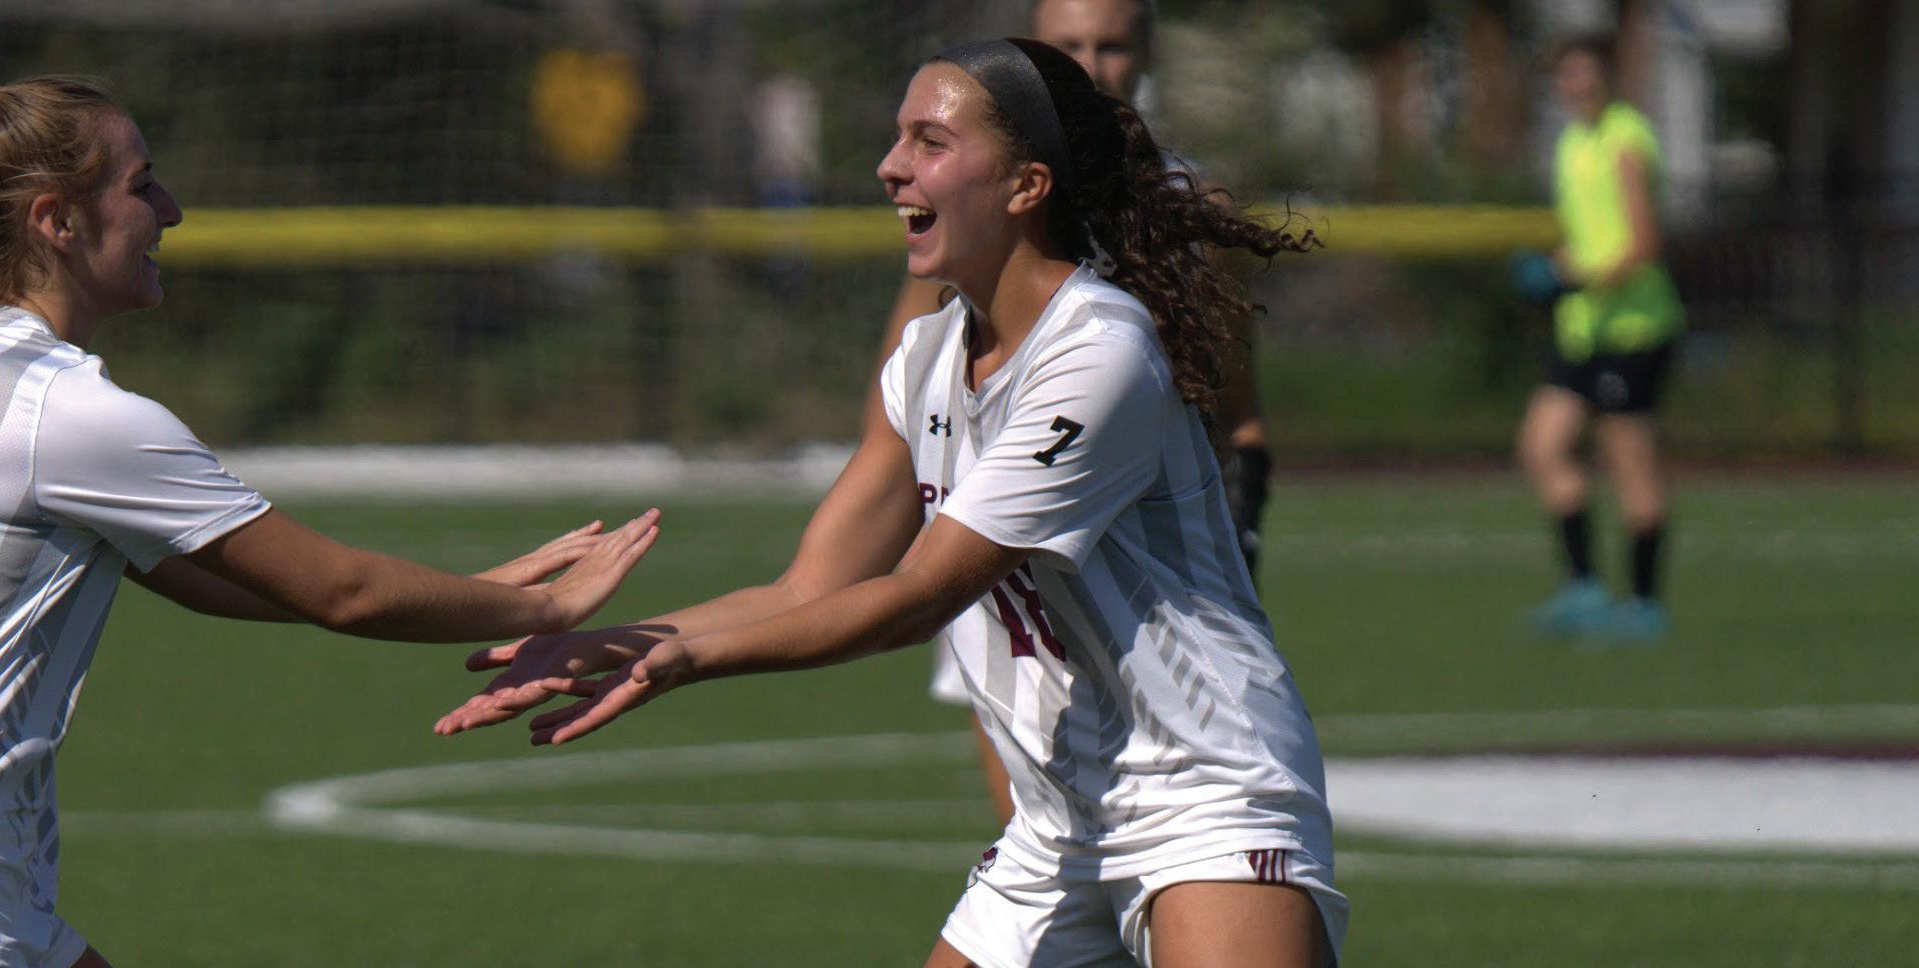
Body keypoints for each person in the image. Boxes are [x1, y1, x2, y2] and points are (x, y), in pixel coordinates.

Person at [441, 39, 1339, 968]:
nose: (890, 166)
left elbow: (915, 599)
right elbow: (807, 590)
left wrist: (690, 661)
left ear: (1027, 186)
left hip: (1204, 790)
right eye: (897, 137)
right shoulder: (924, 362)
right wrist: (613, 643)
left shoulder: (1099, 353)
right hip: (1061, 820)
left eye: (929, 141)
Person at [0, 73, 662, 968]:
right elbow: (341, 589)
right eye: (141, 185)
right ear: (56, 220)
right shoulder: (65, 411)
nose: (171, 211)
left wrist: (472, 591)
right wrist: (550, 608)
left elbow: (213, 575)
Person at [892, 0, 1266, 827]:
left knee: (1179, 804)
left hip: (1145, 581)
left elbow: (1238, 408)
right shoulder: (969, 222)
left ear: (1146, 55)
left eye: (1112, 45)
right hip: (1002, 567)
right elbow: (903, 412)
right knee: (1043, 831)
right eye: (1068, 46)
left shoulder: (1185, 209)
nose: (1093, 65)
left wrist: (1240, 531)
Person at [1515, 34, 1680, 642]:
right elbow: (1586, 236)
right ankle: (1584, 587)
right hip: (1583, 330)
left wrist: (1574, 278)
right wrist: (1553, 267)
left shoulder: (1625, 138)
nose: (1576, 86)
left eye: (1586, 74)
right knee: (1542, 446)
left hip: (1633, 330)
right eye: (1567, 76)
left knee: (1631, 467)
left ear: (1607, 77)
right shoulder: (1571, 143)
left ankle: (1644, 604)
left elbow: (1642, 243)